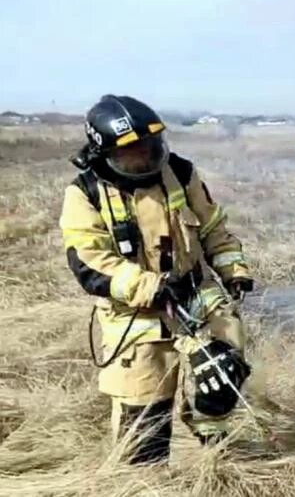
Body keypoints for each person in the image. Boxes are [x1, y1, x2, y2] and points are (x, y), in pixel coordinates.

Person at [59, 94, 254, 464]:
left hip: (199, 299)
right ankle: (146, 483)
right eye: (133, 152)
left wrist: (235, 271)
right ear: (106, 154)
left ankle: (220, 467)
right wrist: (151, 287)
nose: (145, 158)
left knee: (220, 384)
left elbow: (213, 228)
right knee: (143, 429)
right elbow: (90, 262)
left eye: (151, 147)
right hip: (136, 320)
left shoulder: (180, 172)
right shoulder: (84, 193)